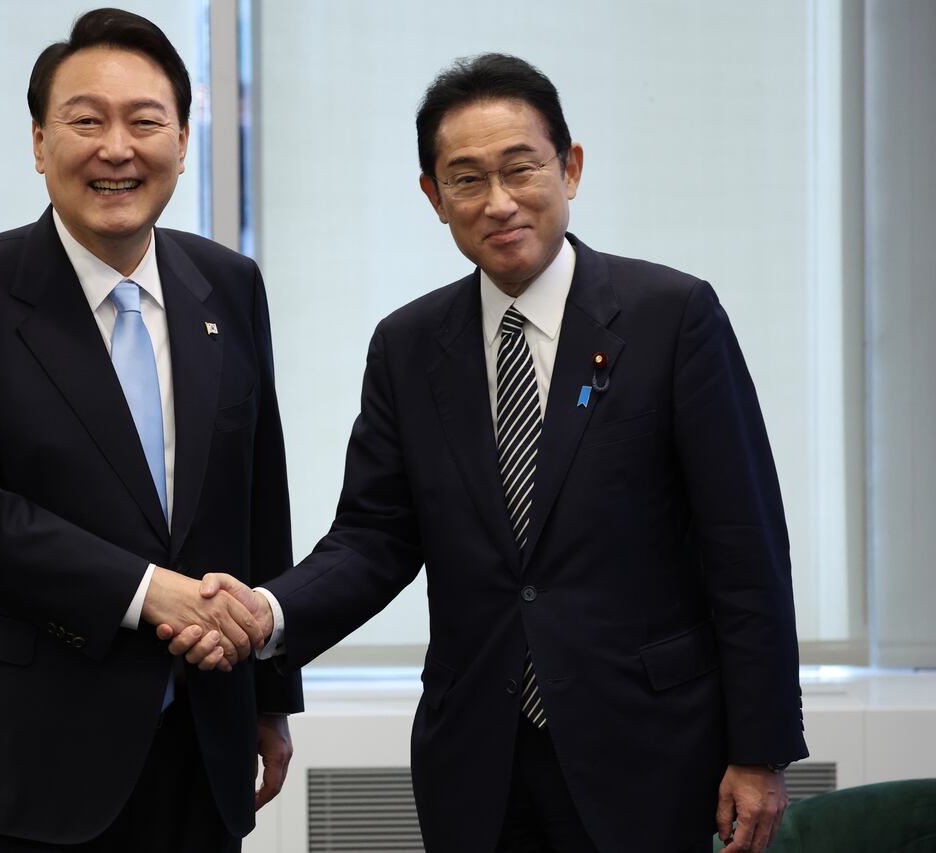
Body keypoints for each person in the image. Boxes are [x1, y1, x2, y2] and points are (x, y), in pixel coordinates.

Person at [178, 53, 808, 852]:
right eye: (468, 179)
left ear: (570, 168)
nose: (499, 201)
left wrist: (760, 748)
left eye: (521, 168)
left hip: (648, 748)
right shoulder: (409, 346)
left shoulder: (672, 317)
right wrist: (267, 614)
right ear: (434, 197)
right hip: (478, 757)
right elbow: (373, 538)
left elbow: (744, 542)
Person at [0, 8, 300, 851]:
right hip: (20, 752)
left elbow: (261, 496)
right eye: (86, 121)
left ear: (181, 140)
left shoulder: (229, 285)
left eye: (145, 121)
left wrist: (269, 697)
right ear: (40, 142)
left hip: (200, 740)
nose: (118, 149)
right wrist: (150, 591)